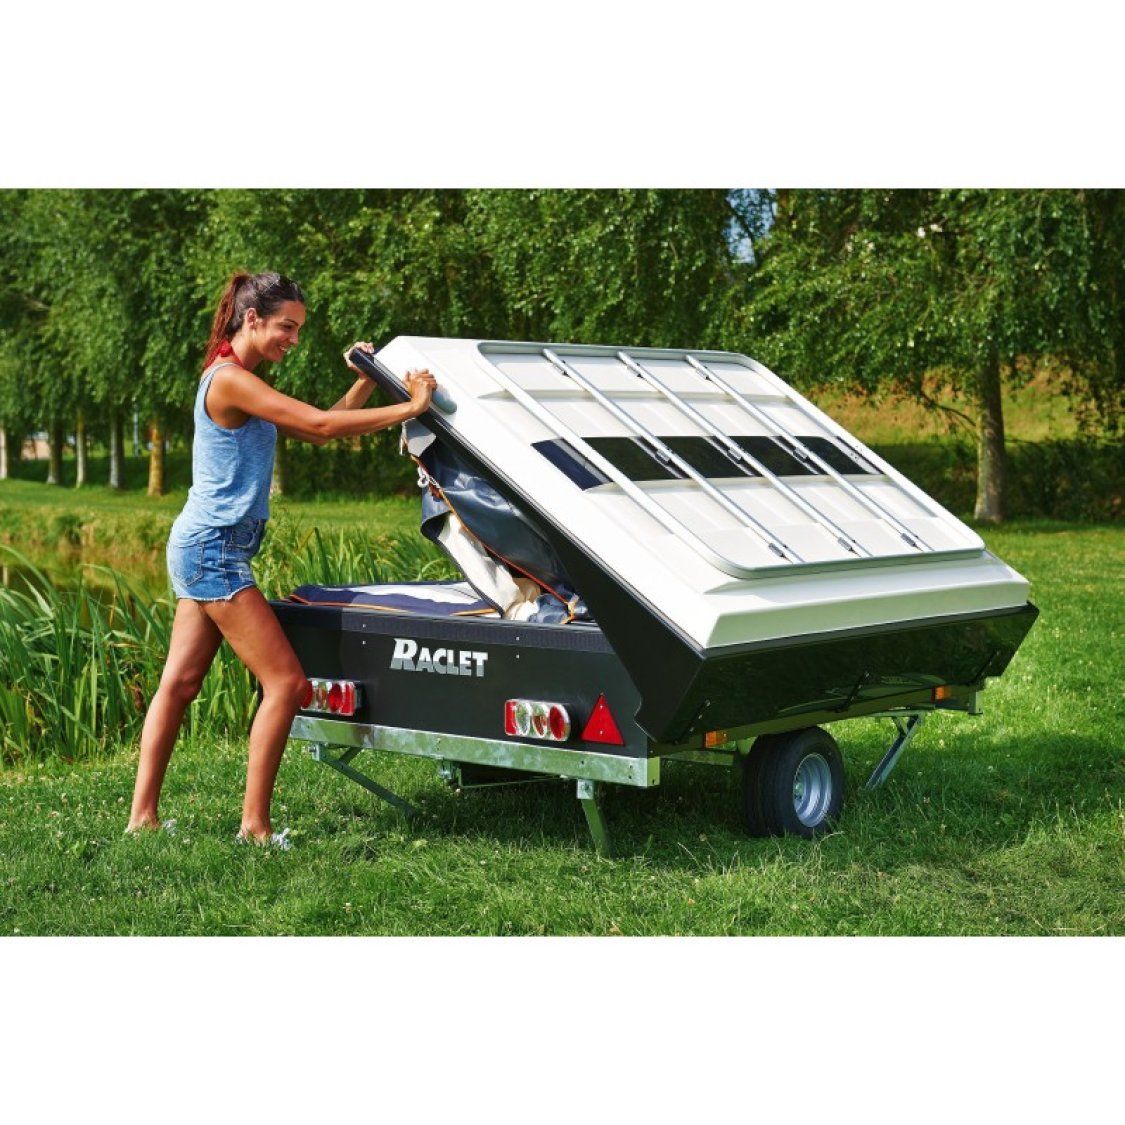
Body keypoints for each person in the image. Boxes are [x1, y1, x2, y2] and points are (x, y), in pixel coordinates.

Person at [125, 271, 437, 846]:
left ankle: (143, 818)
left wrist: (364, 383)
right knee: (288, 684)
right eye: (286, 327)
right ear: (252, 319)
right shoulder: (230, 381)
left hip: (205, 545)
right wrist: (411, 407)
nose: (293, 339)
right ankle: (255, 829)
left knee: (181, 683)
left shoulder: (239, 378)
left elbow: (317, 430)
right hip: (214, 550)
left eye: (298, 330)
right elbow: (320, 424)